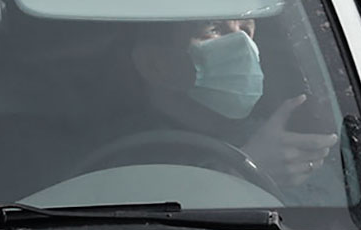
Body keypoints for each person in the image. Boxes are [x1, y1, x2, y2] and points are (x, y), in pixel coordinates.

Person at [129, 18, 337, 190]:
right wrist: (244, 172)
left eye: (246, 29)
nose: (242, 45)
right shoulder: (123, 161)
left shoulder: (276, 139)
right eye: (214, 29)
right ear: (154, 64)